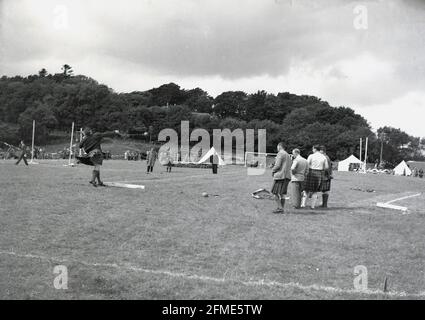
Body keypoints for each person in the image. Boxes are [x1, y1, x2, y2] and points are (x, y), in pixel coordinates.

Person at [302, 145, 329, 209]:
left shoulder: (311, 156)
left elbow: (307, 164)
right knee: (315, 191)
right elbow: (326, 167)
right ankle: (312, 206)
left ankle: (303, 205)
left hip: (311, 172)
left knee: (306, 190)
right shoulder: (323, 157)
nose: (312, 150)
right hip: (319, 173)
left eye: (312, 149)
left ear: (314, 149)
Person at [271, 142, 292, 214]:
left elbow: (277, 165)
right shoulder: (288, 155)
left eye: (277, 146)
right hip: (287, 176)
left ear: (279, 146)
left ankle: (280, 208)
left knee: (274, 192)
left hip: (280, 176)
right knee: (282, 194)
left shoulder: (280, 153)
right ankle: (281, 209)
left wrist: (273, 170)